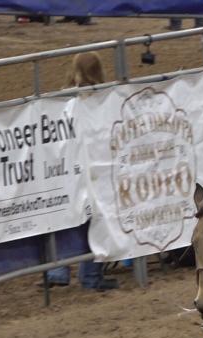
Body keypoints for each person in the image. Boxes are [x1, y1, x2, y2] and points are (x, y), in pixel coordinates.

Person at [44, 52, 118, 291]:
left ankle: (57, 270)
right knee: (97, 220)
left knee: (64, 216)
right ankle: (90, 277)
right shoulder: (105, 97)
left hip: (66, 167)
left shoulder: (60, 99)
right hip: (95, 167)